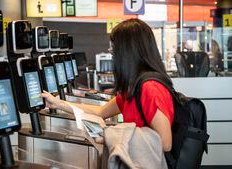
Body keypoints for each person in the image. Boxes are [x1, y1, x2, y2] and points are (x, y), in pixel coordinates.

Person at [41, 18, 174, 152]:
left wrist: (114, 137)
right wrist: (58, 104)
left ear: (127, 52)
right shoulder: (134, 86)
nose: (112, 55)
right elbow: (100, 112)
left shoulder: (150, 87)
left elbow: (165, 142)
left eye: (114, 50)